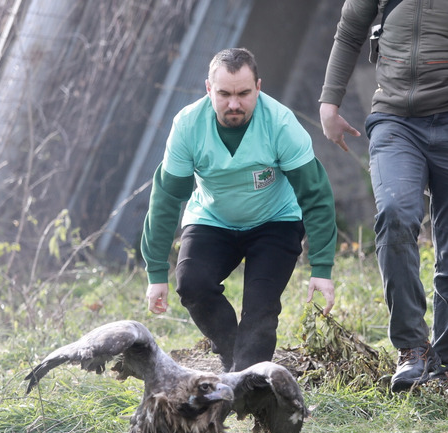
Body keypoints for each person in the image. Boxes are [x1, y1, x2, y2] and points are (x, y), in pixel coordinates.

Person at [318, 0, 448, 397]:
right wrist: (330, 102)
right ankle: (412, 350)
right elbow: (349, 32)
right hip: (396, 120)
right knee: (395, 212)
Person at [141, 47, 338, 373]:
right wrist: (155, 272)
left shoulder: (280, 124)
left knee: (260, 310)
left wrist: (322, 267)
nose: (234, 104)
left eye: (244, 94)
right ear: (208, 89)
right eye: (224, 94)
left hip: (276, 221)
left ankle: (249, 381)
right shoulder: (188, 126)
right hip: (212, 218)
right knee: (192, 284)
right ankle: (235, 360)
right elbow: (166, 197)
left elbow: (315, 195)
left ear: (258, 87)